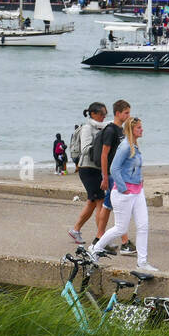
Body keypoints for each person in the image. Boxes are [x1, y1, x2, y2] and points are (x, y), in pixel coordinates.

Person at [89, 117, 156, 273]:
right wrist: (123, 188)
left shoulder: (135, 146)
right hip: (123, 194)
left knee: (143, 225)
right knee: (120, 228)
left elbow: (133, 168)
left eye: (141, 127)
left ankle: (142, 262)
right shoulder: (125, 146)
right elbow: (114, 168)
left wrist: (140, 180)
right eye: (139, 127)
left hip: (138, 192)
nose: (142, 129)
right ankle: (95, 250)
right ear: (132, 130)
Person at [95, 100, 134, 255]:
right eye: (126, 113)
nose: (128, 116)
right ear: (117, 113)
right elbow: (104, 155)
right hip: (112, 174)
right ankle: (124, 242)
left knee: (108, 205)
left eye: (129, 112)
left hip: (119, 174)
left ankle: (99, 238)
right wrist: (105, 177)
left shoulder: (122, 130)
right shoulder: (111, 130)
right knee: (117, 207)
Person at [67, 103, 108, 245]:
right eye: (102, 114)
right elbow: (85, 149)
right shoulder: (87, 128)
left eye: (105, 114)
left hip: (96, 168)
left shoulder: (100, 127)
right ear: (93, 114)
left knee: (92, 202)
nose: (104, 117)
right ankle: (101, 237)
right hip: (87, 169)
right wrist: (101, 147)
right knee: (100, 202)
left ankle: (75, 230)